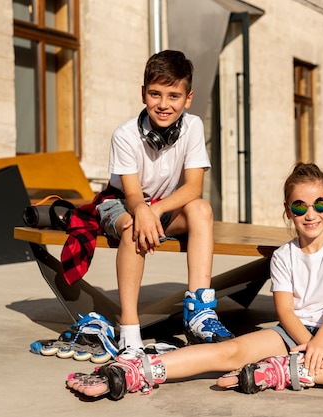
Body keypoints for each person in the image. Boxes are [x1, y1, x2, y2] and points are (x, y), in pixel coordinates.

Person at [65, 162, 323, 400]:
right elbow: (285, 310)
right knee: (228, 351)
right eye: (301, 206)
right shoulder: (284, 255)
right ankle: (135, 372)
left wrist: (320, 344)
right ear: (288, 211)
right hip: (291, 337)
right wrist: (305, 345)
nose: (312, 214)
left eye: (321, 204)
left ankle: (279, 372)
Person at [61, 50, 233, 358]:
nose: (164, 104)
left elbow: (193, 188)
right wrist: (144, 211)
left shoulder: (193, 127)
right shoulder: (125, 135)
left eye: (173, 96)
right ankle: (129, 329)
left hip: (163, 206)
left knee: (202, 209)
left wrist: (156, 210)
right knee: (132, 229)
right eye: (155, 94)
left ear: (188, 98)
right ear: (144, 94)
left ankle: (199, 313)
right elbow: (133, 197)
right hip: (122, 203)